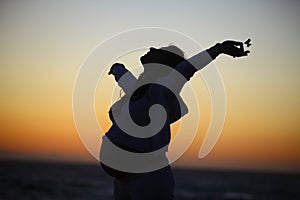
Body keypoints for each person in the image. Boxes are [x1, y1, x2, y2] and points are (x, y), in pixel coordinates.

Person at [100, 40, 250, 200]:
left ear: (164, 64)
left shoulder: (163, 88)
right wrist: (117, 68)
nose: (152, 48)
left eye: (159, 50)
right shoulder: (139, 90)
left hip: (148, 179)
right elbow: (125, 79)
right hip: (123, 179)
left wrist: (218, 49)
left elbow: (187, 68)